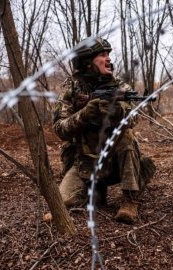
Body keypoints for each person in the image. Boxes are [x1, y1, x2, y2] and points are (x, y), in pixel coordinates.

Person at [53, 37, 155, 224]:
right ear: (87, 62)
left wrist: (118, 113)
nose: (108, 58)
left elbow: (133, 119)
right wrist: (84, 114)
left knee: (126, 135)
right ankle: (97, 190)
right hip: (84, 161)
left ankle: (129, 201)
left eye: (108, 54)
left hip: (114, 160)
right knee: (65, 201)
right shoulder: (71, 88)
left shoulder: (120, 87)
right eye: (102, 55)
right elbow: (60, 129)